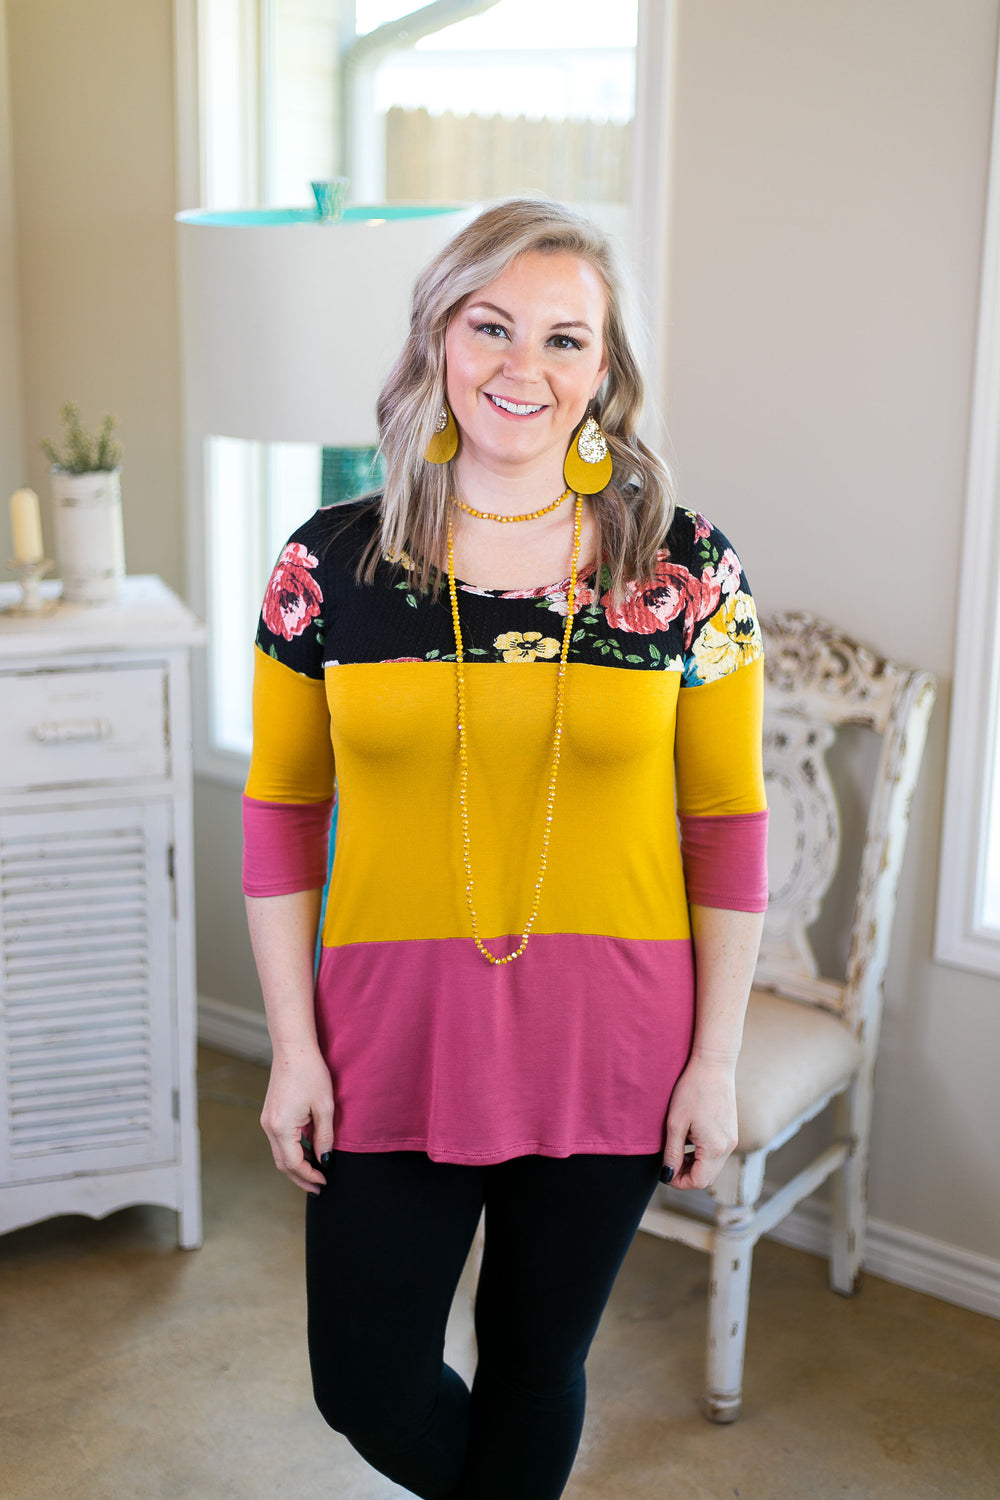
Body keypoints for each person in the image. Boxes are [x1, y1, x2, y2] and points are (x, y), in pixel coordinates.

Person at [242, 198, 768, 1500]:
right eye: (490, 326)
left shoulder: (684, 574)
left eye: (564, 339)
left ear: (604, 374)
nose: (521, 368)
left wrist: (713, 1063)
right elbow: (279, 812)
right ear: (438, 338)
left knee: (538, 1362)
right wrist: (294, 1047)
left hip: (611, 1043)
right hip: (387, 1038)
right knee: (362, 1378)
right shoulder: (331, 567)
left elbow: (727, 823)